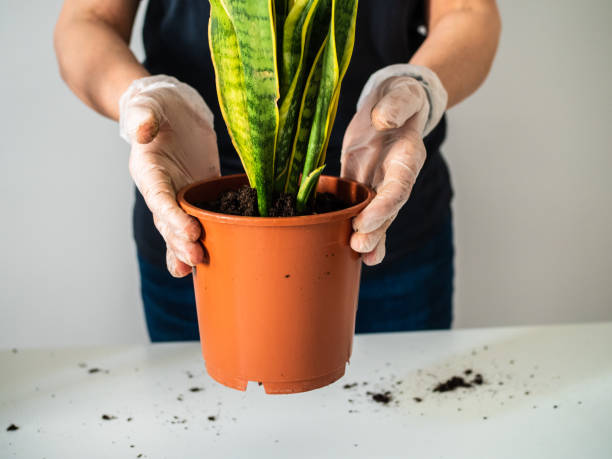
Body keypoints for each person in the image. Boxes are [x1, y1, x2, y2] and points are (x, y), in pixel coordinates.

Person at [54, 0, 501, 341]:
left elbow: (466, 11)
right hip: (195, 227)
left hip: (387, 213)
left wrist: (420, 88)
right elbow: (87, 19)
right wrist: (139, 98)